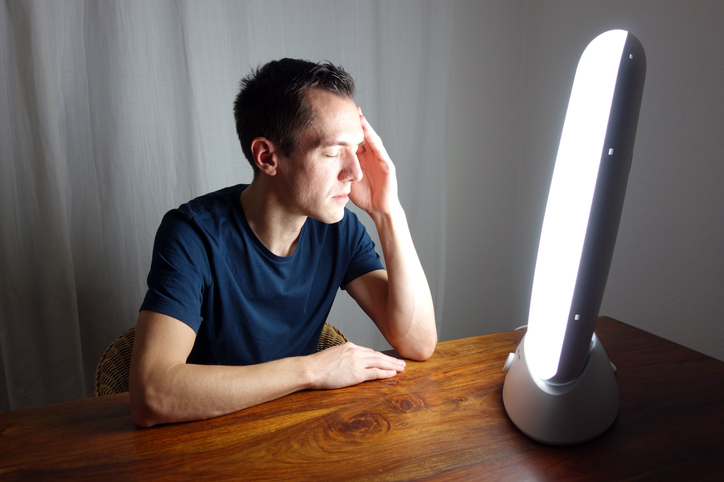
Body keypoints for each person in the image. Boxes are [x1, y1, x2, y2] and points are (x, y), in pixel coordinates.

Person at [129, 58, 437, 427]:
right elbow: (153, 394)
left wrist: (388, 212)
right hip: (205, 435)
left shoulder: (339, 229)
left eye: (357, 149)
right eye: (332, 151)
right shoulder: (192, 234)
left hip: (293, 430)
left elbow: (417, 342)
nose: (354, 172)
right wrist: (312, 371)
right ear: (267, 157)